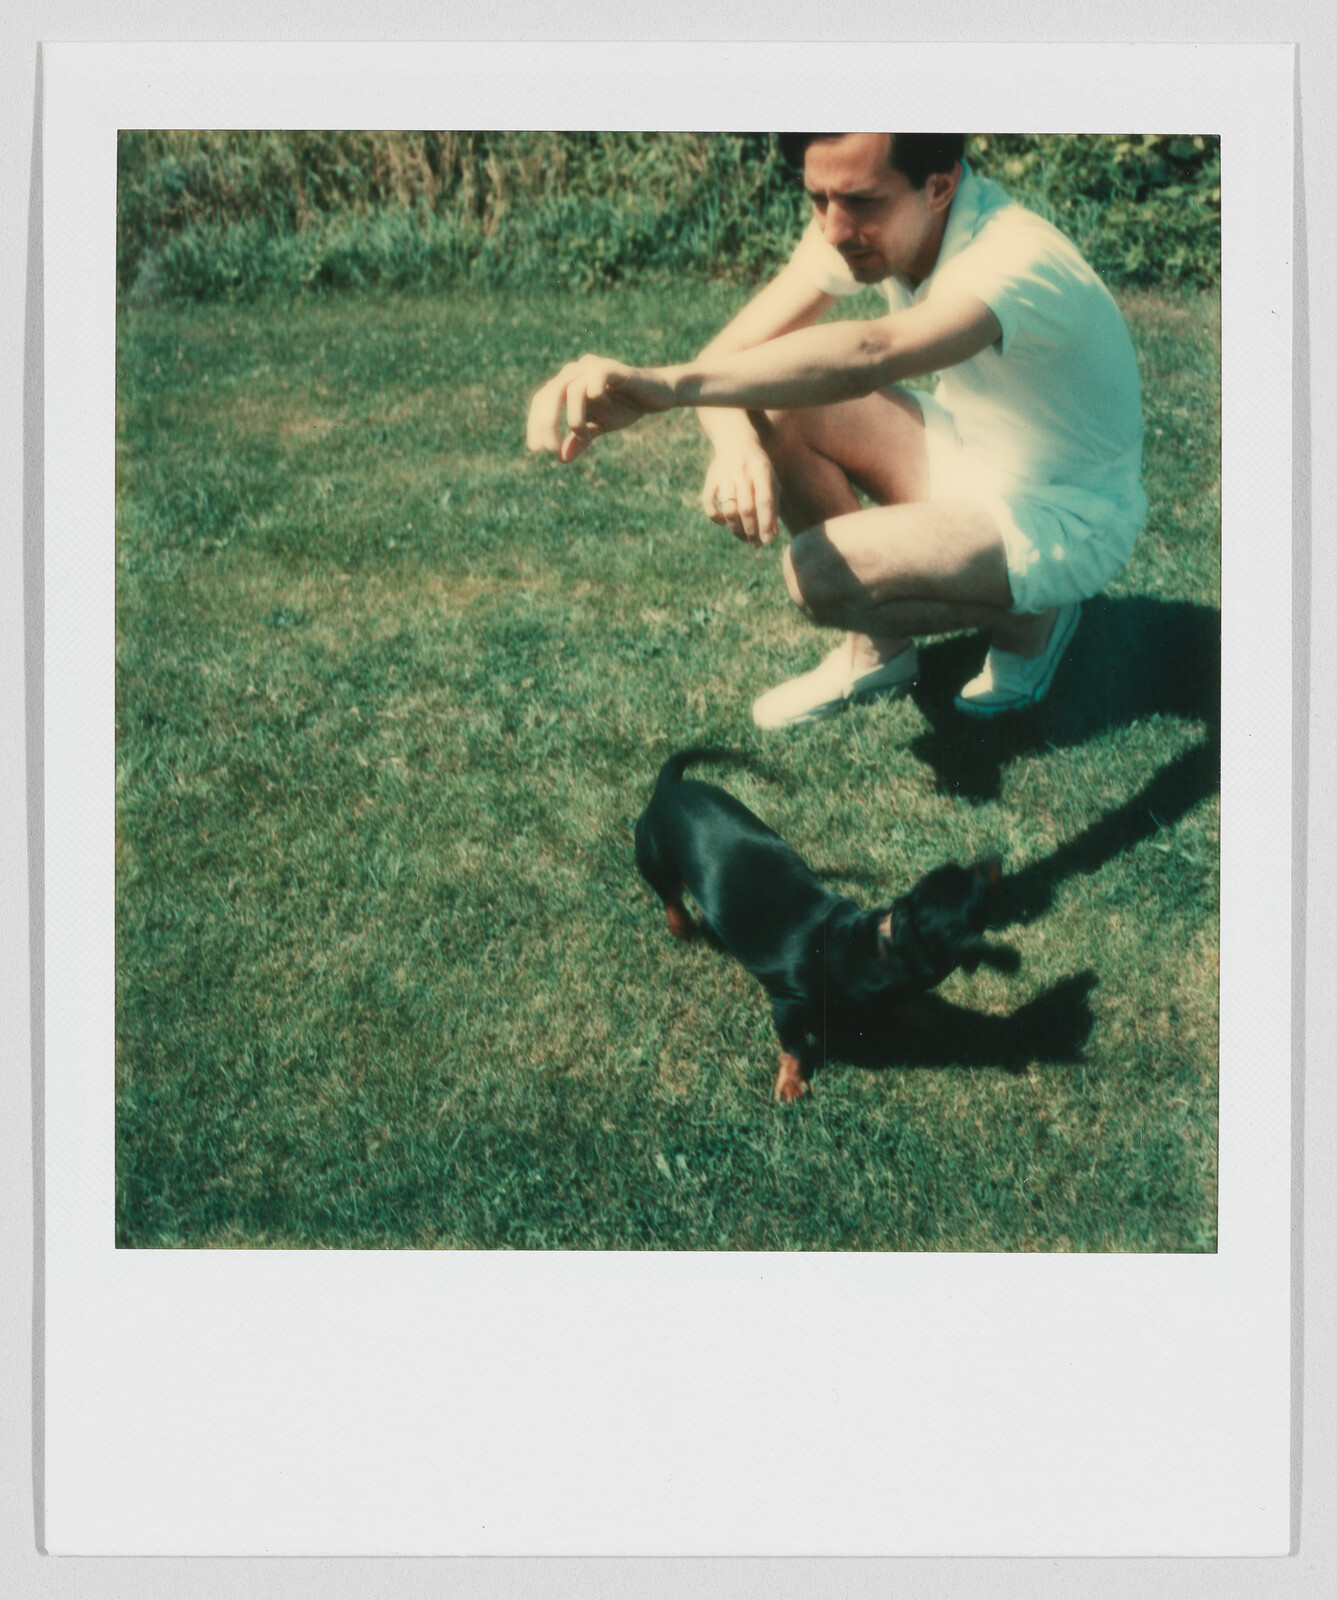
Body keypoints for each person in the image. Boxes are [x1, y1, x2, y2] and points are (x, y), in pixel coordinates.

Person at [526, 132, 1148, 726]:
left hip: (1070, 512)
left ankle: (1034, 617)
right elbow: (730, 356)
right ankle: (881, 649)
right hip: (975, 453)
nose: (832, 228)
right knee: (770, 403)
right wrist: (737, 440)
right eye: (817, 198)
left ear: (939, 186)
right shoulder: (873, 227)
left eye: (860, 202)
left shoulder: (1012, 256)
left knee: (817, 577)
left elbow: (872, 351)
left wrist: (669, 388)